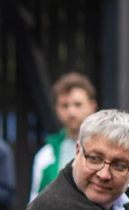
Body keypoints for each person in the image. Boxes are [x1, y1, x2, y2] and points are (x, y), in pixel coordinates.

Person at [30, 73, 97, 201]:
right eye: (65, 105)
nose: (71, 112)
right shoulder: (46, 155)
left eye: (78, 104)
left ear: (92, 107)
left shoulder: (110, 150)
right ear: (57, 109)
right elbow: (35, 203)